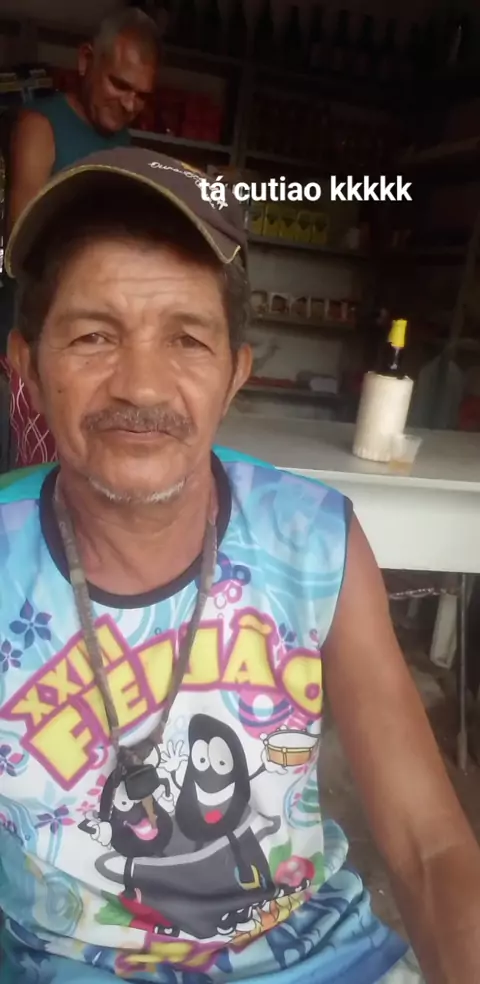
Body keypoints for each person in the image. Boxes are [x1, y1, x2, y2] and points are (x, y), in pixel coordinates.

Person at [0, 147, 480, 984]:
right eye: (93, 336)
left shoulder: (314, 540)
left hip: (317, 959)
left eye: (187, 339)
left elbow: (429, 845)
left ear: (234, 376)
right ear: (26, 369)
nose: (141, 386)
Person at [1, 6, 162, 468]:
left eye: (141, 95)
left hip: (91, 345)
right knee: (24, 478)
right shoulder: (40, 126)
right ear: (86, 60)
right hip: (32, 345)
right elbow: (22, 243)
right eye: (119, 85)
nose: (129, 104)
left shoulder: (125, 146)